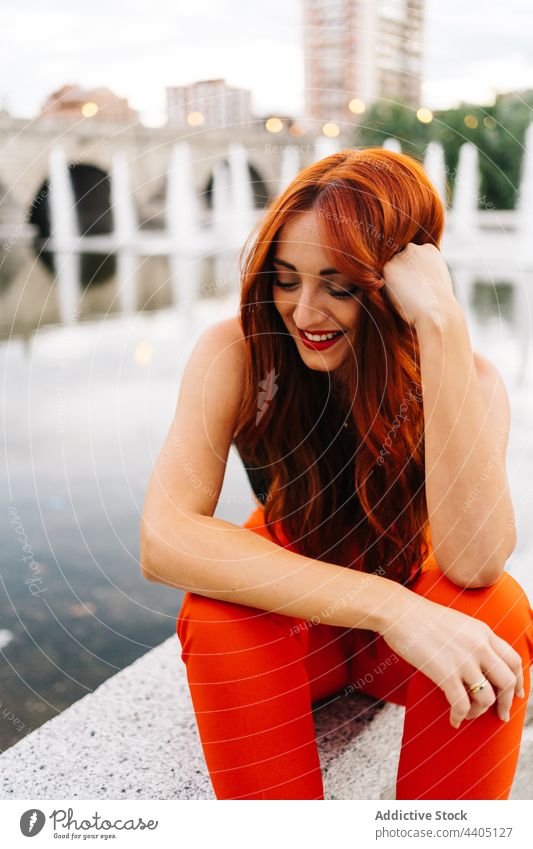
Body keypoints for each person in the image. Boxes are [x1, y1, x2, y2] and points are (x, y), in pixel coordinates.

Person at [140, 147, 533, 800]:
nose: (303, 312)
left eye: (339, 284)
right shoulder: (237, 355)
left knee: (497, 612)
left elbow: (475, 561)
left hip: (408, 648)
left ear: (398, 280)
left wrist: (440, 325)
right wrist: (387, 607)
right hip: (295, 626)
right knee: (214, 618)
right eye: (287, 277)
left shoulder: (469, 378)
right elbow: (165, 539)